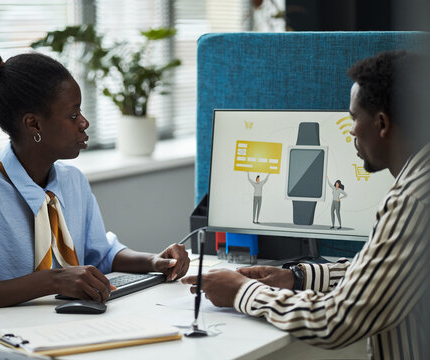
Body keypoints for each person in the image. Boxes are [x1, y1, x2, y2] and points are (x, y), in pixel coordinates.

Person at [182, 50, 430, 359]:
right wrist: (298, 277)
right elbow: (389, 271)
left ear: (381, 123)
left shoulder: (411, 201)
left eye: (354, 118)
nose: (350, 131)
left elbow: (337, 321)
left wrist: (242, 292)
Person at [0, 51, 190, 321]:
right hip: (3, 335)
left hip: (69, 326)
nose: (84, 123)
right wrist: (53, 281)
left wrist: (153, 261)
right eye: (72, 114)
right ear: (34, 124)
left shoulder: (72, 181)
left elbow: (101, 254)